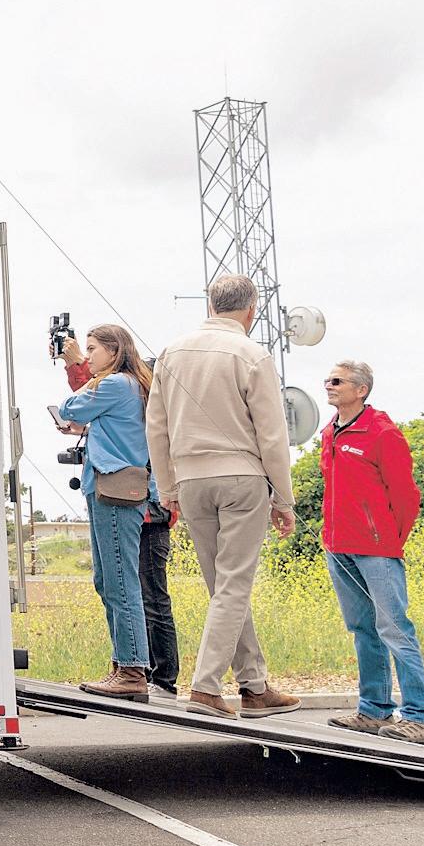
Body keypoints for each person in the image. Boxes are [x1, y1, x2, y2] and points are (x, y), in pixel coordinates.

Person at [144, 273, 300, 720]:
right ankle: (206, 687)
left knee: (223, 587)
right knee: (233, 586)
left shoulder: (172, 352)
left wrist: (167, 486)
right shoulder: (252, 354)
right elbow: (272, 435)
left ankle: (254, 686)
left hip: (191, 480)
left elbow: (156, 427)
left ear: (210, 305)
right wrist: (283, 499)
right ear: (252, 309)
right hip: (241, 478)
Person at [318, 361, 424, 745]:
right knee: (363, 629)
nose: (328, 385)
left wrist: (387, 539)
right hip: (338, 548)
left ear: (361, 389)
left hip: (376, 550)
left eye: (337, 381)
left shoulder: (383, 432)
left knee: (394, 629)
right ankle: (373, 710)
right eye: (327, 380)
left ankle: (420, 718)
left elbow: (406, 495)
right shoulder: (330, 432)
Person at [63, 337, 179, 700]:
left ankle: (131, 670)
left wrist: (81, 371)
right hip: (112, 487)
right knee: (108, 580)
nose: (88, 355)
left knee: (120, 581)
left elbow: (69, 408)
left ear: (114, 352)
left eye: (93, 349)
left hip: (114, 489)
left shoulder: (115, 384)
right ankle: (125, 664)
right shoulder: (131, 386)